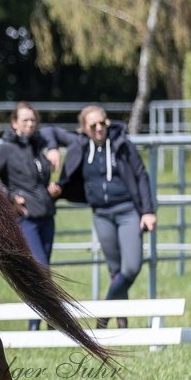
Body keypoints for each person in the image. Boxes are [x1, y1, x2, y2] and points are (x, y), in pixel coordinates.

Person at [49, 105, 158, 329]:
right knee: (115, 270)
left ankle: (103, 315)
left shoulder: (122, 144)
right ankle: (122, 322)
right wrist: (59, 185)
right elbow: (49, 133)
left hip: (127, 210)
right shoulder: (80, 147)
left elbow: (141, 175)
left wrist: (148, 210)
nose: (99, 128)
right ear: (84, 128)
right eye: (93, 125)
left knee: (131, 267)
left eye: (102, 123)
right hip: (101, 213)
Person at [0, 103, 71, 330]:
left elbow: (53, 135)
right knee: (40, 269)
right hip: (25, 219)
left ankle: (41, 321)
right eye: (25, 120)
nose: (30, 124)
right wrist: (9, 195)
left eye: (33, 120)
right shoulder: (5, 148)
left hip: (46, 216)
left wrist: (51, 188)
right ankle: (46, 321)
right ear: (14, 123)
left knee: (42, 269)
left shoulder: (38, 145)